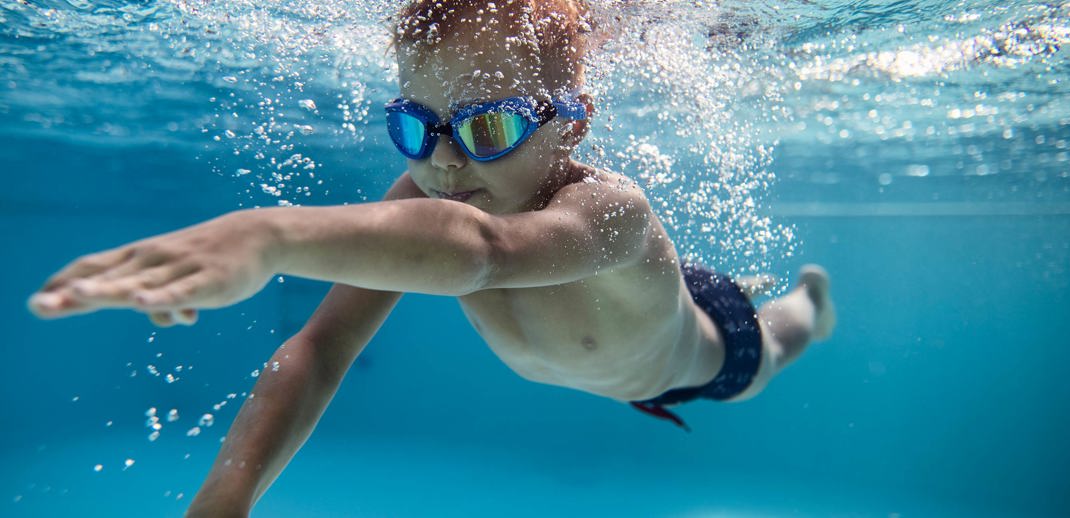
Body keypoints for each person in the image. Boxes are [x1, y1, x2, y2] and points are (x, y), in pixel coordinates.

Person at [26, 0, 835, 515]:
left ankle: (804, 300)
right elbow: (318, 349)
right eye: (419, 126)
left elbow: (487, 253)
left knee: (776, 343)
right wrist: (223, 500)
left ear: (572, 124)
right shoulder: (426, 198)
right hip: (616, 329)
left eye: (489, 127)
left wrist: (268, 235)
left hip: (697, 355)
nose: (447, 164)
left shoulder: (609, 210)